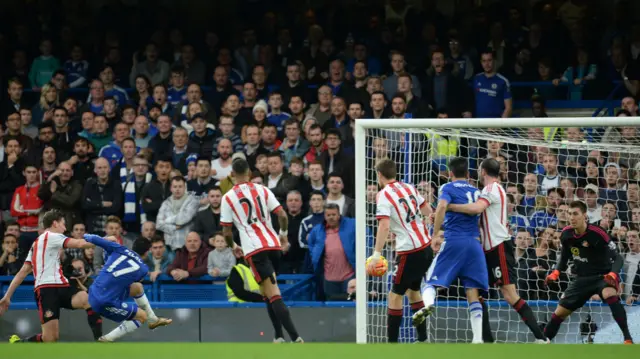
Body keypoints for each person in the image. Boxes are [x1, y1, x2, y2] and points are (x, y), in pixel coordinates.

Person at [447, 159, 548, 343]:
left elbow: (476, 208)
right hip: (487, 249)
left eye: (479, 169)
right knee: (475, 291)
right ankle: (487, 340)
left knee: (509, 294)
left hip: (499, 247)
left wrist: (450, 206)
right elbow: (480, 217)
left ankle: (541, 337)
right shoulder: (489, 190)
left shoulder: (492, 188)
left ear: (483, 171)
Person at [220, 157, 303, 343]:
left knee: (273, 293)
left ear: (232, 175)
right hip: (273, 245)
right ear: (249, 172)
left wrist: (233, 245)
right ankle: (278, 336)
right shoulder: (262, 189)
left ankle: (296, 338)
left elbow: (226, 230)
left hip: (255, 249)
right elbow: (281, 214)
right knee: (266, 292)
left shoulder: (228, 197)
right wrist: (283, 233)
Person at [412, 157, 488, 344]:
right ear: (468, 174)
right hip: (474, 243)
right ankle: (477, 339)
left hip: (454, 241)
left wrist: (436, 233)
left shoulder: (447, 187)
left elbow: (442, 206)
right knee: (472, 292)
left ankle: (428, 305)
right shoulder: (477, 191)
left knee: (429, 282)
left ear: (450, 174)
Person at [0, 210, 99, 343]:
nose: (65, 228)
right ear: (55, 223)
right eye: (63, 224)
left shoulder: (38, 243)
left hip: (62, 285)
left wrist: (7, 297)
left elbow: (23, 271)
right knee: (50, 338)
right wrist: (106, 241)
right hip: (46, 290)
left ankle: (100, 339)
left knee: (89, 300)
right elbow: (80, 244)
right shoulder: (52, 236)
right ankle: (20, 343)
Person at [543, 201, 633, 344]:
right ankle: (543, 342)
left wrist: (613, 274)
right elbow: (564, 257)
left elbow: (618, 258)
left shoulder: (598, 233)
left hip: (603, 276)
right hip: (581, 278)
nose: (572, 217)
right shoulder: (566, 234)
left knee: (609, 293)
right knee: (559, 313)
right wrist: (556, 272)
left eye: (575, 214)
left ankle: (627, 338)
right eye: (569, 214)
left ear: (584, 216)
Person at [366, 158, 433, 343]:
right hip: (426, 246)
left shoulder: (383, 195)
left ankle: (392, 345)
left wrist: (376, 254)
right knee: (413, 292)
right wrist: (432, 221)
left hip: (409, 251)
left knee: (395, 296)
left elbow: (384, 226)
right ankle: (423, 339)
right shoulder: (409, 187)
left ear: (379, 175)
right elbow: (427, 208)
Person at [82, 233, 172, 342]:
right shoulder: (143, 270)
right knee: (141, 316)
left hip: (92, 292)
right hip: (103, 301)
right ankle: (105, 340)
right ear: (148, 252)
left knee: (137, 287)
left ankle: (153, 319)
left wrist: (85, 236)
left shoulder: (120, 249)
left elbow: (94, 239)